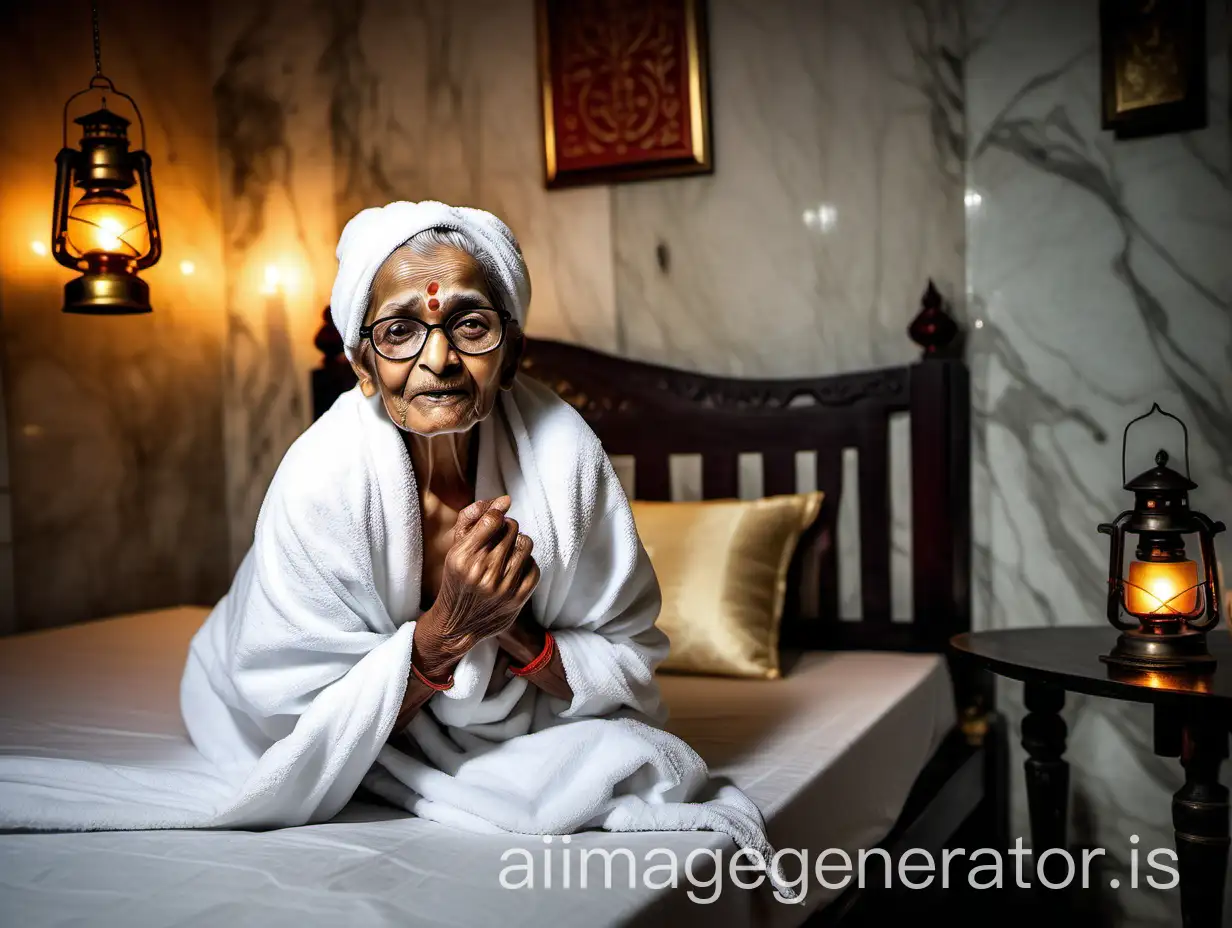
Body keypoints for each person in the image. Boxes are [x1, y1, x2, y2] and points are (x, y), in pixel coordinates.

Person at [0, 201, 791, 899]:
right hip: (244, 682)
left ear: (511, 353)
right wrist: (449, 630)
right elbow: (288, 711)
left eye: (470, 324)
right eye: (401, 330)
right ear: (363, 366)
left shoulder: (565, 455)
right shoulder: (321, 477)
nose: (439, 360)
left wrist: (510, 629)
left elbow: (624, 663)